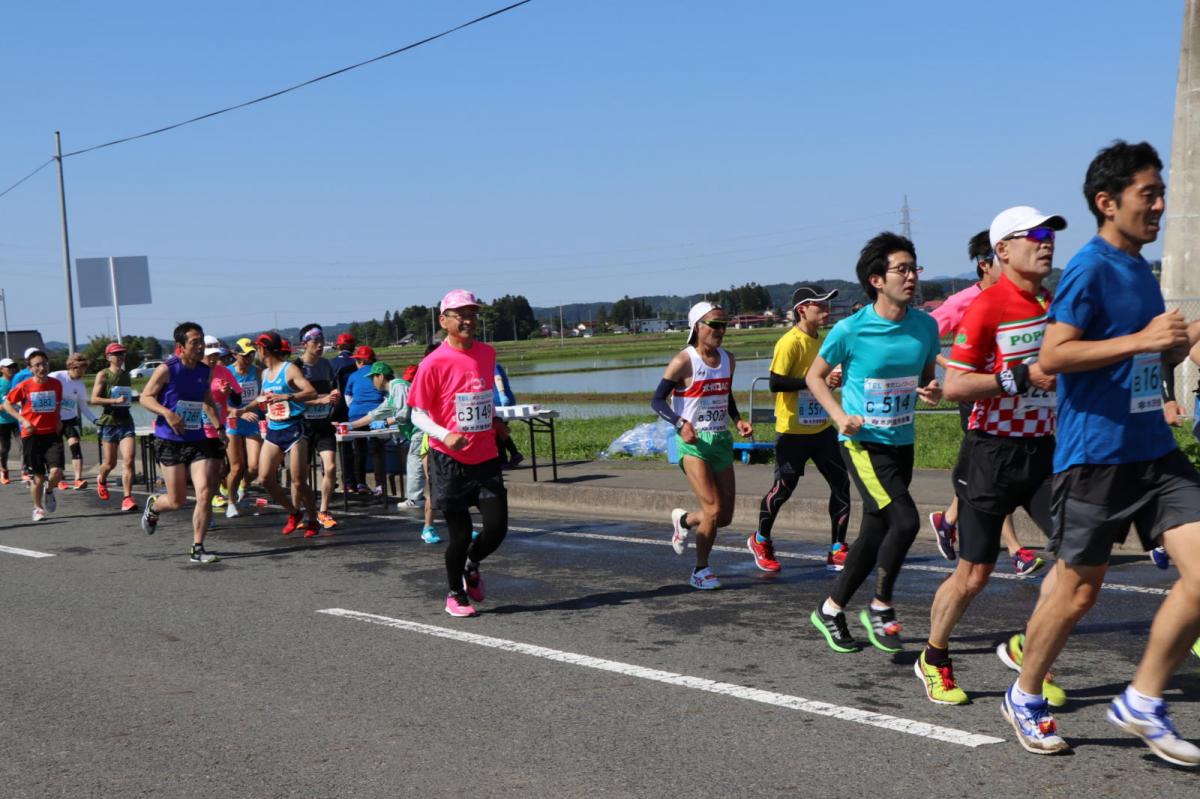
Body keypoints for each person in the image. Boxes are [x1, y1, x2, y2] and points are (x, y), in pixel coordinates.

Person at [1001, 141, 1200, 765]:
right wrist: (1144, 337)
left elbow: (1142, 354)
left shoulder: (1141, 269)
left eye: (1161, 192)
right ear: (1107, 202)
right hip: (1096, 457)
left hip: (1154, 451)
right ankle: (1025, 693)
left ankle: (1142, 700)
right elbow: (1053, 357)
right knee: (1077, 593)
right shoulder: (1091, 267)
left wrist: (1167, 345)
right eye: (1150, 194)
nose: (1161, 205)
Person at [916, 206, 1066, 706]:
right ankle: (933, 657)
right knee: (974, 574)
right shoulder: (986, 306)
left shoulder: (1054, 302)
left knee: (1078, 558)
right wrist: (1018, 377)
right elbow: (957, 384)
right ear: (1002, 250)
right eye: (1036, 235)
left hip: (1045, 451)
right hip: (991, 454)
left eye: (1051, 235)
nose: (1047, 242)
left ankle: (1028, 648)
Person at [805, 232, 942, 653]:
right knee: (905, 521)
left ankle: (831, 609)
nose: (912, 277)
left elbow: (925, 380)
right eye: (902, 269)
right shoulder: (852, 329)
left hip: (902, 438)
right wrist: (840, 416)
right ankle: (880, 606)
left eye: (914, 268)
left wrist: (932, 391)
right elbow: (814, 376)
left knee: (874, 531)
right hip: (863, 443)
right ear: (877, 279)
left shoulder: (925, 326)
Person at [928, 232, 1044, 576]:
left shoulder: (1029, 299)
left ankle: (948, 518)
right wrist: (951, 369)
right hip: (980, 396)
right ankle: (1015, 549)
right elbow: (922, 336)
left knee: (984, 477)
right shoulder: (966, 301)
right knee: (994, 471)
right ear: (985, 265)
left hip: (1025, 407)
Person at [407, 289, 511, 617]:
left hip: (485, 455)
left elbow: (481, 397)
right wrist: (444, 434)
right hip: (448, 458)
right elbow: (416, 414)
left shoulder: (487, 353)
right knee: (460, 533)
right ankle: (455, 594)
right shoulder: (433, 362)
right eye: (460, 314)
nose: (468, 320)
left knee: (497, 528)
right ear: (444, 321)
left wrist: (494, 420)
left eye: (472, 313)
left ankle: (472, 563)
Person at [749, 285, 851, 574]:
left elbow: (825, 376)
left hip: (821, 428)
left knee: (841, 485)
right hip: (792, 431)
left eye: (828, 307)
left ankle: (837, 548)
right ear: (802, 309)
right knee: (784, 488)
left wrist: (832, 380)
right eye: (821, 307)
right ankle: (760, 539)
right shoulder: (789, 342)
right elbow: (775, 383)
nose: (827, 312)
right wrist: (813, 382)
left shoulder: (825, 341)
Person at [653, 301, 754, 590]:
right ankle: (701, 570)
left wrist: (737, 420)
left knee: (724, 517)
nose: (721, 330)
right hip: (693, 443)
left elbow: (725, 393)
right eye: (715, 324)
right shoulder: (683, 361)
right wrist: (680, 424)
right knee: (712, 509)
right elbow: (656, 400)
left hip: (720, 439)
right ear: (697, 326)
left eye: (724, 325)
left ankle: (684, 521)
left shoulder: (728, 359)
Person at [138, 323, 224, 563]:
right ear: (180, 347)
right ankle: (154, 506)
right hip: (169, 440)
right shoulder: (167, 369)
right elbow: (145, 397)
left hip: (197, 438)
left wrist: (219, 427)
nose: (200, 346)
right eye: (194, 342)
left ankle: (198, 548)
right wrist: (168, 413)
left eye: (201, 342)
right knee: (177, 501)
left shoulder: (204, 371)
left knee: (205, 492)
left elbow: (207, 400)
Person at [351, 360, 437, 542]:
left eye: (373, 377)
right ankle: (421, 497)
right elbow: (376, 413)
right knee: (418, 463)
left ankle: (415, 498)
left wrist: (385, 422)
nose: (372, 382)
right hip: (416, 432)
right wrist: (350, 425)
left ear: (381, 376)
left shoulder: (398, 386)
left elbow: (404, 413)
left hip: (419, 431)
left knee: (415, 463)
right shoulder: (391, 393)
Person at [253, 331, 320, 537]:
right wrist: (242, 410)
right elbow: (261, 399)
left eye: (258, 348)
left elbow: (311, 392)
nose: (257, 351)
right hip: (274, 429)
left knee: (299, 481)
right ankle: (293, 512)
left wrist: (287, 396)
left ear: (263, 349)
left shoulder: (289, 369)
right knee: (264, 478)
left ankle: (312, 520)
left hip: (294, 429)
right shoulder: (264, 374)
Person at [2, 349, 64, 521]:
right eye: (37, 365)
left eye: (44, 364)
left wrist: (58, 419)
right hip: (31, 435)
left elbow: (57, 403)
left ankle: (49, 490)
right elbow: (7, 405)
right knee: (37, 476)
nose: (42, 368)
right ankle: (37, 508)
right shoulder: (24, 386)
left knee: (56, 471)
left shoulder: (56, 384)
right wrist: (23, 420)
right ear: (30, 368)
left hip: (52, 434)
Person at [295, 324, 342, 529]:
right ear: (304, 344)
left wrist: (334, 398)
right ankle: (297, 512)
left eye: (322, 341)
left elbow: (332, 391)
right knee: (300, 475)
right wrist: (320, 401)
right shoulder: (295, 368)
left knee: (330, 467)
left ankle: (323, 511)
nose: (320, 345)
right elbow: (293, 400)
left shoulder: (326, 365)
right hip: (303, 426)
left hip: (323, 424)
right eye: (315, 341)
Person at [91, 342, 138, 511]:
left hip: (126, 421)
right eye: (116, 354)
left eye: (122, 354)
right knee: (110, 463)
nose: (120, 357)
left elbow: (125, 397)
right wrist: (114, 401)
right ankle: (101, 478)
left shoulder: (126, 375)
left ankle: (127, 498)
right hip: (109, 422)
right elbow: (94, 399)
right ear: (108, 357)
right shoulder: (103, 375)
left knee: (129, 460)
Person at [200, 337, 241, 515]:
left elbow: (237, 400)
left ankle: (209, 502)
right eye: (209, 354)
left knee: (217, 470)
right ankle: (205, 509)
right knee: (204, 473)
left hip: (219, 428)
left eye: (215, 354)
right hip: (198, 430)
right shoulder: (194, 372)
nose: (212, 358)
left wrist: (228, 392)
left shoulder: (224, 372)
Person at [47, 352, 99, 491]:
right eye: (81, 369)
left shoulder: (80, 385)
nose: (83, 372)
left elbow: (83, 407)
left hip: (69, 419)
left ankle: (78, 479)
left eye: (85, 369)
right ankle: (60, 479)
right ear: (72, 367)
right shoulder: (56, 376)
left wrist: (95, 420)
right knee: (58, 449)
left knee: (75, 444)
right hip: (53, 419)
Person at [223, 338, 262, 515]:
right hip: (233, 422)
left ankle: (244, 485)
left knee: (254, 467)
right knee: (237, 467)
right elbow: (220, 403)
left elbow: (262, 397)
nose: (249, 358)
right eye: (245, 355)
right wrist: (239, 412)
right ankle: (231, 503)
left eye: (252, 354)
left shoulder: (258, 372)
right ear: (235, 354)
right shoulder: (226, 373)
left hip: (252, 420)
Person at [345, 345, 386, 495]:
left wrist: (355, 410)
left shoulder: (353, 376)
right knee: (377, 450)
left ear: (361, 361)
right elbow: (387, 394)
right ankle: (380, 485)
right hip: (376, 413)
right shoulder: (378, 373)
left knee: (359, 450)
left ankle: (361, 483)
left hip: (356, 415)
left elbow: (348, 397)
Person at [331, 332, 359, 490]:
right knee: (353, 444)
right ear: (353, 346)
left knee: (330, 444)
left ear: (339, 346)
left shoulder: (331, 363)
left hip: (335, 407)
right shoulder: (359, 362)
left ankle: (330, 478)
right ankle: (351, 482)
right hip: (355, 407)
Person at [493, 361, 524, 469]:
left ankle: (504, 461)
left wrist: (502, 395)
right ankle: (515, 454)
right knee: (499, 431)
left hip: (502, 403)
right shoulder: (490, 364)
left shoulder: (492, 364)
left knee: (498, 432)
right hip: (499, 403)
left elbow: (498, 379)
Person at [0, 357, 19, 484]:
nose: (12, 369)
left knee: (25, 445)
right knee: (4, 449)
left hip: (18, 419)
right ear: (1, 369)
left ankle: (26, 471)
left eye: (13, 367)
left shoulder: (17, 381)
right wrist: (7, 405)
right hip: (2, 421)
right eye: (9, 367)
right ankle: (4, 470)